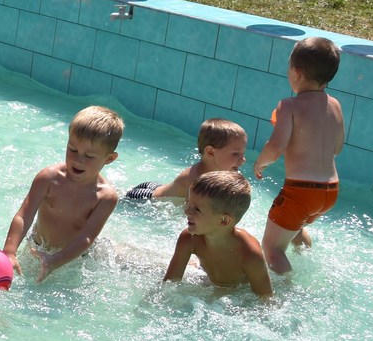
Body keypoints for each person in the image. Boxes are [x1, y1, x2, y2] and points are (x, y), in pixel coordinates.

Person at [2, 106, 124, 282]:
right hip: (38, 246)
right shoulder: (49, 178)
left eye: (89, 156)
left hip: (74, 258)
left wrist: (56, 261)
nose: (78, 159)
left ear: (109, 159)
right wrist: (9, 251)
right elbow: (23, 216)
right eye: (72, 149)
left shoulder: (105, 197)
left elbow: (87, 237)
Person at [254, 37, 343, 274]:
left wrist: (260, 163)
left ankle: (287, 295)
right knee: (297, 228)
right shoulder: (334, 105)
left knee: (272, 247)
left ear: (297, 72)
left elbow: (276, 147)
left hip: (301, 191)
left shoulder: (288, 106)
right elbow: (337, 147)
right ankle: (306, 259)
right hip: (330, 191)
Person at [163, 171, 272, 298]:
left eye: (197, 209)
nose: (186, 211)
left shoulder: (250, 255)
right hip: (208, 280)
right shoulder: (189, 238)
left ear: (224, 221)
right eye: (188, 203)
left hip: (238, 292)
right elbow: (169, 283)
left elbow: (265, 298)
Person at [125, 118, 247, 203]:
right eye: (236, 154)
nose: (243, 160)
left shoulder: (219, 173)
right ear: (210, 152)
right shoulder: (197, 180)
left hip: (158, 187)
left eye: (242, 153)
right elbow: (193, 215)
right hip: (145, 197)